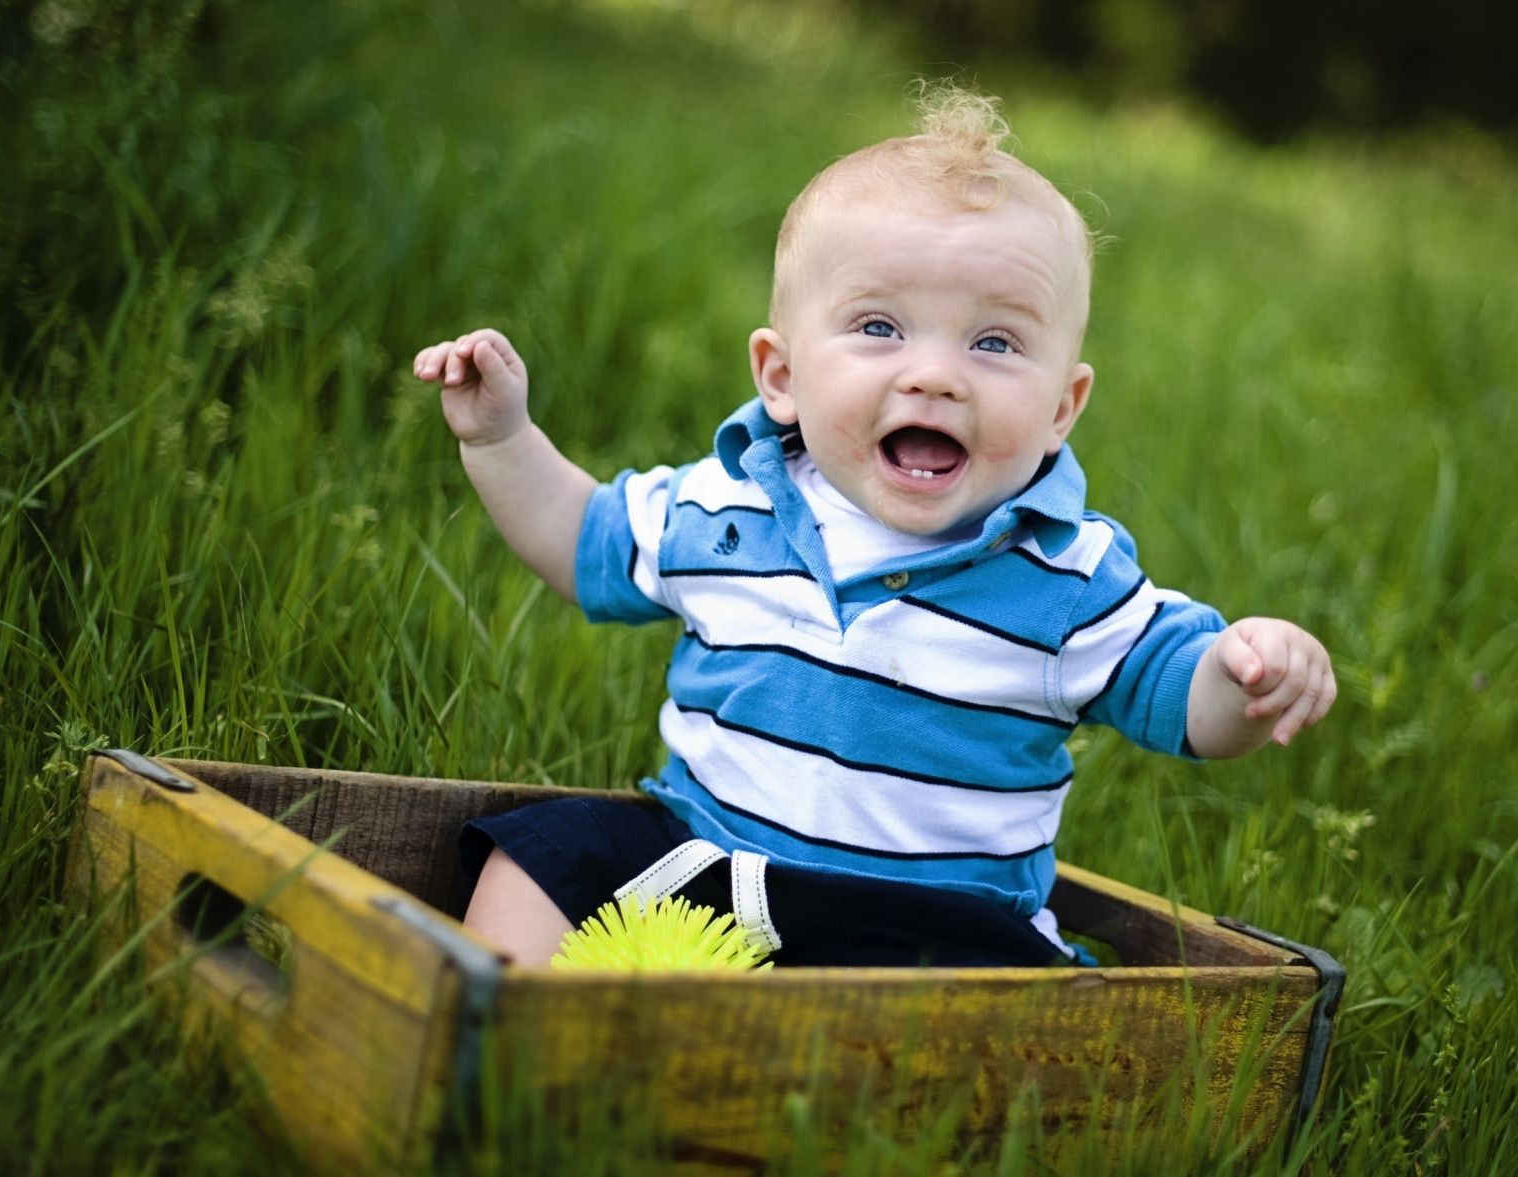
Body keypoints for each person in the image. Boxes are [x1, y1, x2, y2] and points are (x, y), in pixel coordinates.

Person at [412, 87, 1335, 968]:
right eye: (880, 327)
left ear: (1064, 405)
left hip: (932, 926)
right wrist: (502, 438)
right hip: (715, 867)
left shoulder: (1066, 576)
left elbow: (1182, 705)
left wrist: (1242, 675)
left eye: (995, 343)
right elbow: (583, 543)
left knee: (1001, 997)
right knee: (539, 855)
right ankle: (497, 1032)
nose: (935, 374)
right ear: (780, 376)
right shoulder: (729, 508)